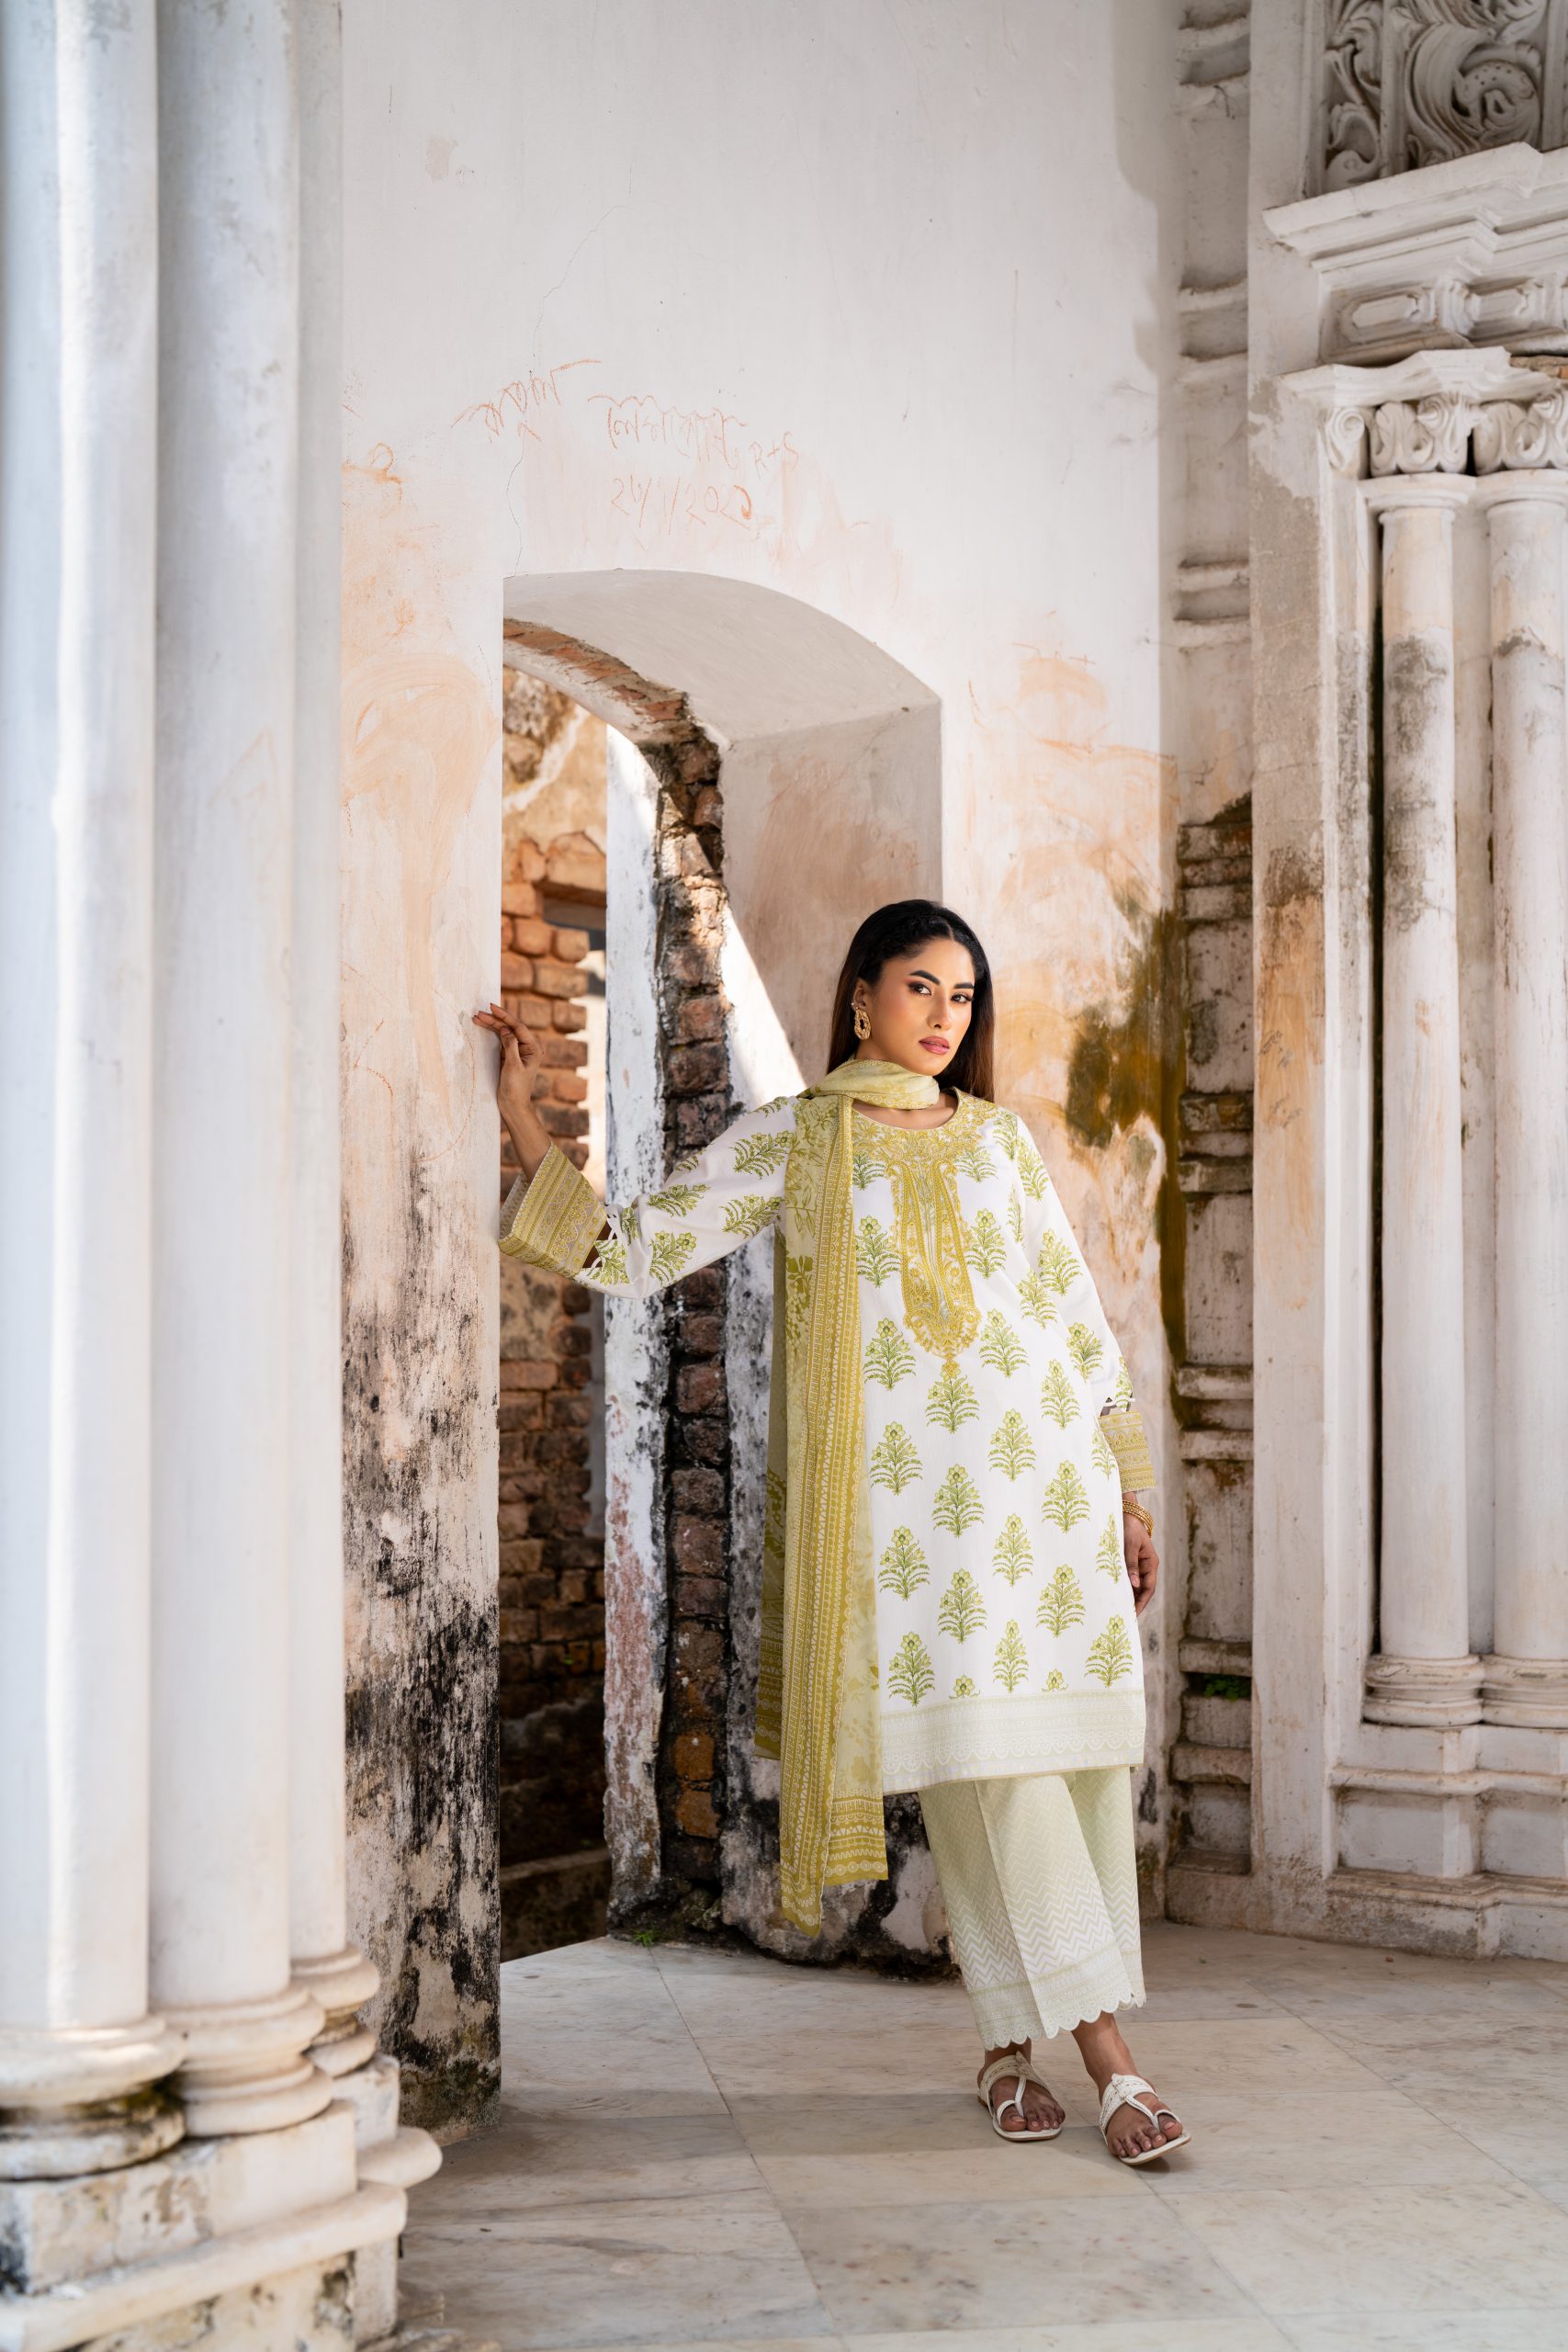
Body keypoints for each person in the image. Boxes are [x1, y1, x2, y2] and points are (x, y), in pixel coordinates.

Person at [473, 898, 1189, 2165]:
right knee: (999, 1774)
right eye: (921, 988)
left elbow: (1075, 1322)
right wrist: (525, 1117)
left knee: (1045, 1774)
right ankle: (1113, 2066)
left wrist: (1128, 1491)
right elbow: (632, 1250)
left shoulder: (1000, 1142)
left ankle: (1008, 2049)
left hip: (1044, 1512)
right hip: (911, 1541)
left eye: (963, 997)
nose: (944, 1017)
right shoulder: (797, 1141)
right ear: (862, 995)